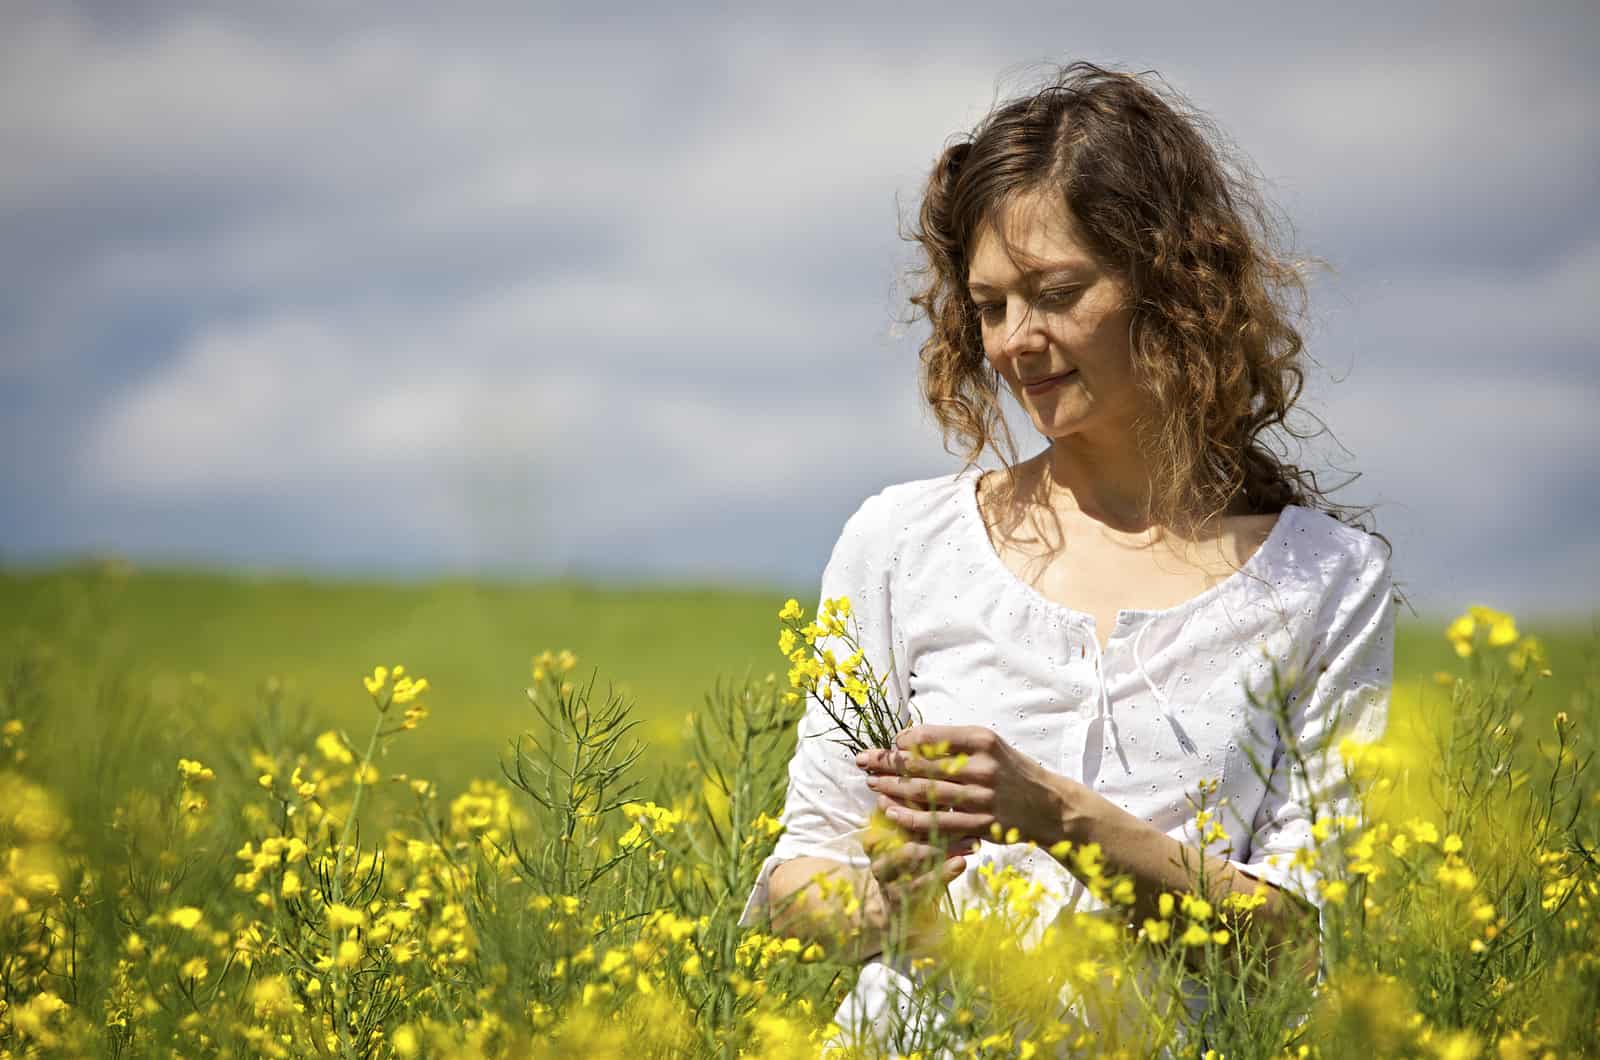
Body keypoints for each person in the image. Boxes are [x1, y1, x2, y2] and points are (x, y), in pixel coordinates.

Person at [739, 61, 1397, 1052]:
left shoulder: (1326, 581)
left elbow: (1302, 945)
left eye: (1054, 293)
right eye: (990, 305)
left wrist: (1057, 816)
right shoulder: (900, 544)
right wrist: (890, 906)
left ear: (1170, 280)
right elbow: (795, 879)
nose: (1013, 343)